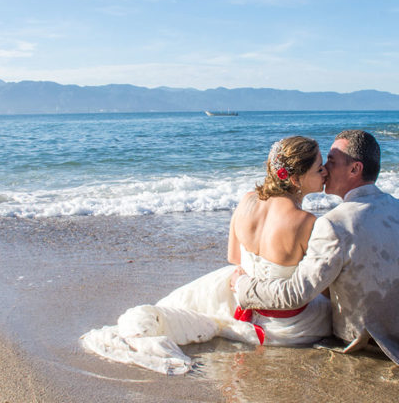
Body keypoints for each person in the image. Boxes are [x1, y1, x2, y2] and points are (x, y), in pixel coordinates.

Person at [81, 136, 332, 375]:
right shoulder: (307, 222)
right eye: (319, 168)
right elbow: (318, 286)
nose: (325, 172)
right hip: (286, 328)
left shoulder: (247, 201)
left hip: (241, 306)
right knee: (331, 309)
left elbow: (234, 257)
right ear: (295, 179)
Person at [232, 130, 399, 373]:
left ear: (355, 169)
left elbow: (296, 294)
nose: (324, 169)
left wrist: (242, 286)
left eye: (331, 161)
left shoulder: (333, 224)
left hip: (374, 340)